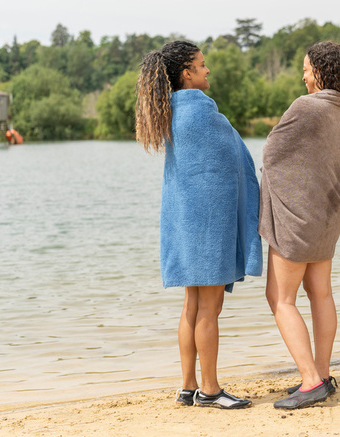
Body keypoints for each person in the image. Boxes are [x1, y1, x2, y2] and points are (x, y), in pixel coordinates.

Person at [135, 40, 262, 408]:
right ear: (186, 73)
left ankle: (187, 386)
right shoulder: (203, 114)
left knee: (191, 305)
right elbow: (232, 168)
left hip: (184, 224)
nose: (208, 70)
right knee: (209, 308)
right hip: (208, 226)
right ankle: (210, 389)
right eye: (202, 65)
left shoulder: (171, 113)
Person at [259, 41, 340, 409]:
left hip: (298, 218)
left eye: (305, 68)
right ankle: (323, 373)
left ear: (321, 71)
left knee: (280, 298)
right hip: (328, 214)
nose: (302, 74)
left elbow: (272, 151)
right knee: (321, 295)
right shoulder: (339, 108)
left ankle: (310, 381)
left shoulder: (306, 106)